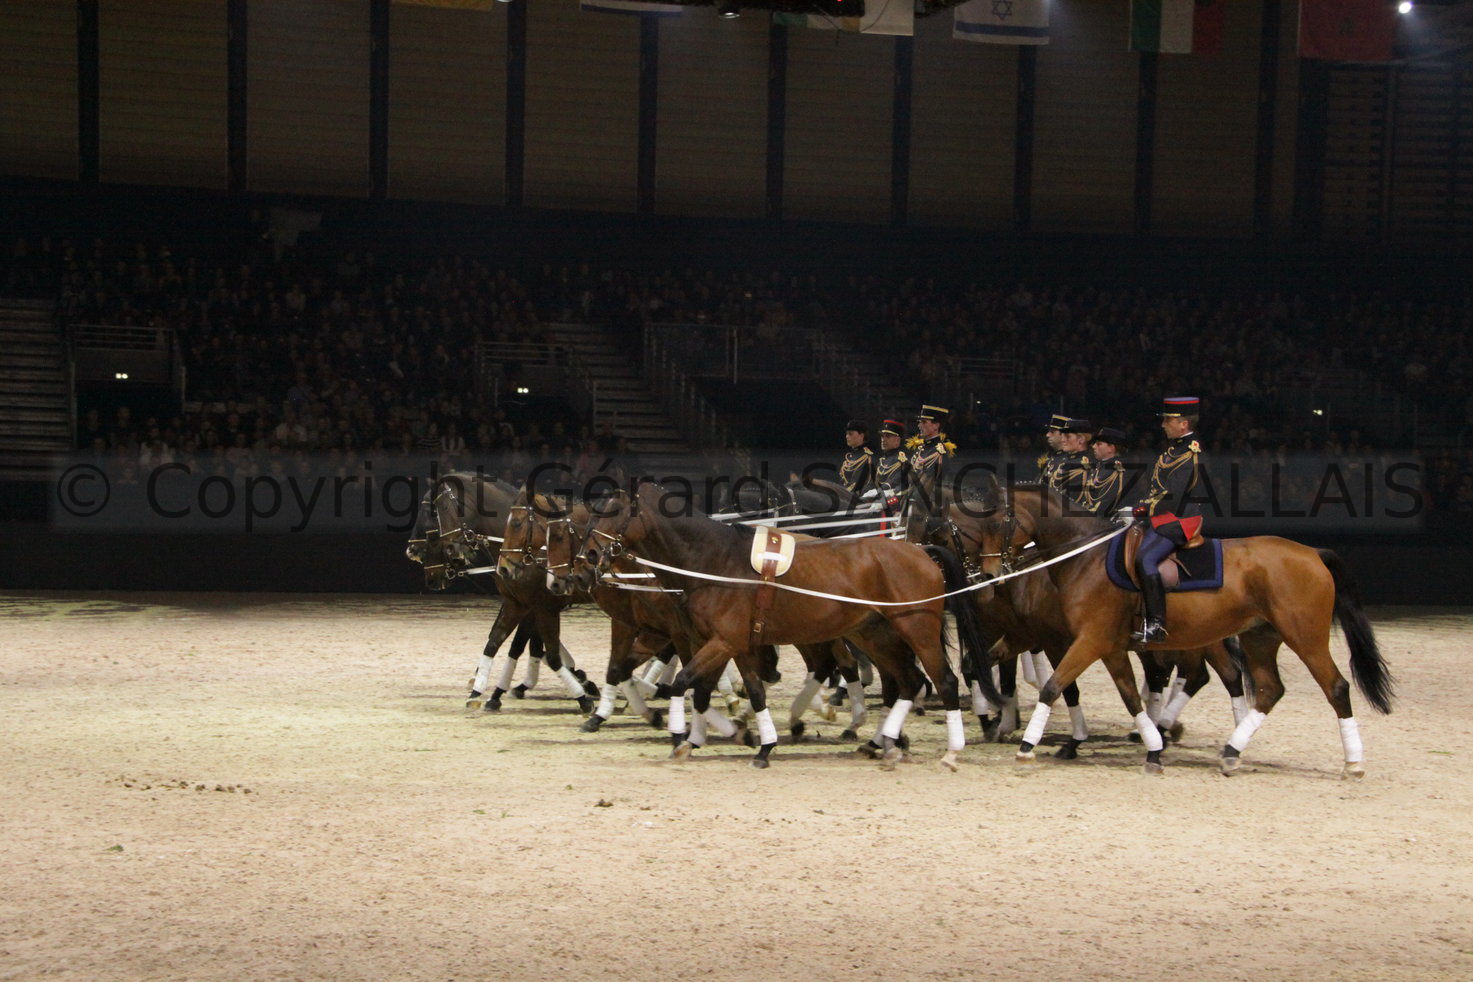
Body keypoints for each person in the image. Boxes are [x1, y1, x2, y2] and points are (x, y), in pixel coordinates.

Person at [1133, 397, 1207, 644]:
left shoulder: (1190, 454)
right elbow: (1157, 489)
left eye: (1168, 420)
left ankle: (1157, 624)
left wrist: (1144, 509)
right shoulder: (1172, 451)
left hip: (1179, 519)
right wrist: (1139, 506)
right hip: (1162, 516)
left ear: (1183, 424)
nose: (1163, 424)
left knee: (1145, 558)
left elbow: (1173, 498)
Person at [904, 404, 954, 537]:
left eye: (924, 422)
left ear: (936, 425)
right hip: (912, 504)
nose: (919, 425)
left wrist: (898, 500)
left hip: (927, 510)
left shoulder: (939, 452)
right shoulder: (921, 449)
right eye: (919, 422)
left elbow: (924, 488)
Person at [1082, 425, 1128, 516]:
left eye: (1099, 444)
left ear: (1111, 448)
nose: (1093, 446)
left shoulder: (1117, 471)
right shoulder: (1100, 466)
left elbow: (1106, 505)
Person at [1048, 417, 1093, 508]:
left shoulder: (1088, 464)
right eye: (1063, 436)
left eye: (1068, 436)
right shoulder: (1061, 460)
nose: (1063, 440)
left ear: (1081, 439)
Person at [837, 419, 875, 496]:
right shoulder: (850, 457)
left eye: (850, 434)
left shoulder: (866, 458)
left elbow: (860, 486)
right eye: (846, 434)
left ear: (861, 436)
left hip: (857, 498)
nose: (847, 436)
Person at [1037, 412, 1069, 486]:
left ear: (1063, 435)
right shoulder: (1050, 458)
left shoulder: (1072, 460)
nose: (1047, 435)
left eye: (1052, 432)